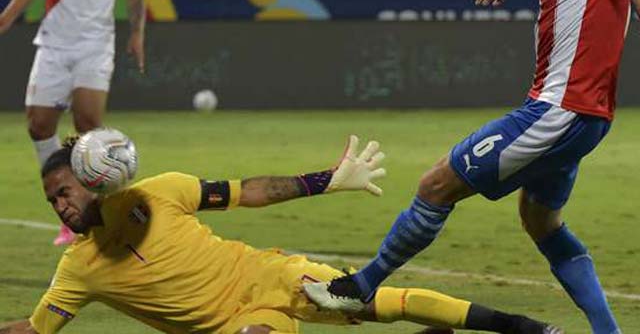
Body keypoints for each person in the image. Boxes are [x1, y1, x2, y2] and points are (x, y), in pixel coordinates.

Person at [305, 0, 637, 334]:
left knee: (436, 184)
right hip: (584, 119)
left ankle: (360, 287)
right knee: (540, 220)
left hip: (557, 111)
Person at [0, 135, 559, 334]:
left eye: (66, 191)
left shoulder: (158, 191)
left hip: (267, 272)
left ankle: (521, 326)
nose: (61, 206)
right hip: (241, 323)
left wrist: (328, 180)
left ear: (93, 179)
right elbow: (34, 327)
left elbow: (250, 191)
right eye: (52, 200)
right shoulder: (78, 268)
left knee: (372, 300)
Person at [0, 0, 145, 246]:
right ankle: (65, 205)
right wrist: (8, 16)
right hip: (52, 44)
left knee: (88, 125)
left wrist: (137, 34)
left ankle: (96, 213)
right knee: (38, 125)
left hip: (94, 46)